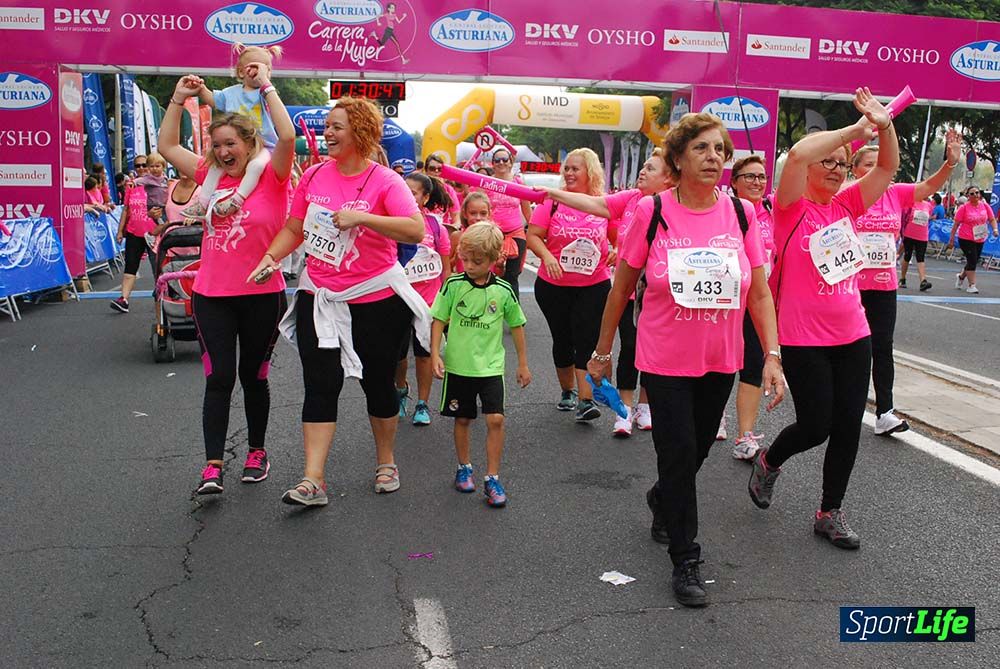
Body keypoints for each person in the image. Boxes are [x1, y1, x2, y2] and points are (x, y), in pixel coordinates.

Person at [587, 112, 782, 607]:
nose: (713, 157)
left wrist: (773, 355)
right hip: (665, 357)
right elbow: (621, 288)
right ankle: (686, 557)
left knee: (694, 451)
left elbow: (759, 293)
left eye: (719, 149)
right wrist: (603, 350)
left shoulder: (741, 214)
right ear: (677, 158)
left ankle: (662, 499)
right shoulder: (652, 212)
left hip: (721, 357)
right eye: (701, 148)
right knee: (677, 453)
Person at [247, 97, 427, 506]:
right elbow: (295, 227)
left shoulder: (385, 180)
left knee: (377, 384)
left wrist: (363, 218)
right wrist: (270, 257)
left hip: (376, 299)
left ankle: (385, 461)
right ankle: (313, 480)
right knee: (319, 385)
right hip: (321, 295)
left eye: (337, 126)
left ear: (361, 132)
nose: (327, 133)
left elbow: (414, 230)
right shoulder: (313, 176)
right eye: (327, 126)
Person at [748, 87, 898, 551]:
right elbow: (796, 152)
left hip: (853, 333)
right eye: (828, 162)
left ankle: (829, 512)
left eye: (841, 164)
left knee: (849, 424)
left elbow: (888, 168)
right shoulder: (790, 207)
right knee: (817, 425)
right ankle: (770, 461)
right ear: (809, 171)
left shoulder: (847, 205)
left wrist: (884, 124)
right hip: (802, 335)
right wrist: (855, 129)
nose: (835, 169)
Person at [159, 71, 295, 495]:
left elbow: (287, 136)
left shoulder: (272, 175)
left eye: (230, 144)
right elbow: (166, 146)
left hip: (261, 295)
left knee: (254, 376)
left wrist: (268, 86)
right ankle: (213, 465)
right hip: (212, 294)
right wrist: (178, 99)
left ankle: (256, 451)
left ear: (249, 144)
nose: (222, 152)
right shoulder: (208, 176)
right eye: (216, 146)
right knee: (218, 377)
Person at [538, 149, 673, 436]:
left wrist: (614, 249)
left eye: (650, 168)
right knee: (615, 346)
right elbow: (596, 205)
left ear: (669, 178)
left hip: (657, 294)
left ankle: (644, 405)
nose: (642, 171)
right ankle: (621, 409)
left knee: (644, 348)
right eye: (643, 166)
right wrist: (553, 194)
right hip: (623, 291)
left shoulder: (673, 205)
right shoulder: (629, 199)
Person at [847, 130, 961, 437]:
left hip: (884, 285)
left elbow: (928, 187)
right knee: (853, 350)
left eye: (879, 163)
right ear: (855, 170)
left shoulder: (895, 193)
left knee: (882, 347)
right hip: (849, 288)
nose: (874, 169)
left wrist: (949, 165)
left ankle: (884, 411)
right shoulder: (847, 194)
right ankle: (846, 407)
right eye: (867, 164)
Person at [431, 222, 531, 507]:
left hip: (491, 367)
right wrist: (436, 353)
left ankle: (492, 477)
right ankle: (464, 468)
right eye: (465, 259)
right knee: (462, 418)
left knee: (495, 419)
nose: (470, 265)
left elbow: (518, 324)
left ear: (494, 259)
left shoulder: (502, 291)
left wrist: (523, 364)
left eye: (478, 261)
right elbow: (438, 319)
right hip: (459, 367)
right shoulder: (453, 285)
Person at [527, 148, 615, 422]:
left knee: (585, 339)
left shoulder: (604, 203)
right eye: (566, 168)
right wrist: (547, 256)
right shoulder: (551, 202)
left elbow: (619, 236)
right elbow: (533, 236)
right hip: (553, 285)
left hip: (594, 284)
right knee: (563, 339)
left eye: (575, 168)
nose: (569, 173)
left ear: (590, 172)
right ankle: (568, 391)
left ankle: (585, 400)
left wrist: (615, 249)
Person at [185, 44, 284, 221]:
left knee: (255, 166)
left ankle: (237, 199)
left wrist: (266, 84)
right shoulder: (230, 93)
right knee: (215, 168)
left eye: (265, 69)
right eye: (253, 68)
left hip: (263, 147)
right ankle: (202, 203)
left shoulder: (267, 94)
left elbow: (281, 118)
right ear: (240, 72)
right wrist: (199, 87)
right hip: (236, 145)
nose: (258, 72)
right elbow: (211, 99)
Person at [724, 155, 777, 458]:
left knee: (753, 364)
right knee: (721, 362)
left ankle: (745, 435)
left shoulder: (771, 212)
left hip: (758, 300)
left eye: (761, 177)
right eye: (749, 177)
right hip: (726, 300)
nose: (757, 182)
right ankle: (716, 416)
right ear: (734, 182)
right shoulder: (726, 211)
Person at [395, 172, 452, 426]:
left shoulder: (436, 227)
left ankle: (423, 403)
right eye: (403, 190)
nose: (407, 195)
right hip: (396, 298)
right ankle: (400, 389)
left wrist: (445, 301)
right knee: (397, 355)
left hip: (428, 301)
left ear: (425, 197)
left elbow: (446, 268)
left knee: (424, 354)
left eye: (413, 192)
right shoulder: (390, 221)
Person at [110, 154, 168, 313]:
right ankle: (124, 299)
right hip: (134, 231)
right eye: (138, 166)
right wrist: (120, 230)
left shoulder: (163, 184)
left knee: (158, 267)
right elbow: (126, 209)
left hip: (154, 232)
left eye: (144, 165)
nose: (141, 168)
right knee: (130, 266)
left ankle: (163, 297)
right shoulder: (132, 186)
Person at [482, 148, 533, 299]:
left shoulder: (518, 183)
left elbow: (527, 211)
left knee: (512, 276)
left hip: (516, 235)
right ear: (492, 164)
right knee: (488, 274)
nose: (501, 163)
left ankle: (513, 315)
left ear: (511, 163)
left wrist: (537, 234)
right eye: (497, 160)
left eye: (505, 159)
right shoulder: (487, 183)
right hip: (492, 236)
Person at [949, 186, 998, 294]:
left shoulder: (985, 206)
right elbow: (956, 224)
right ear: (968, 196)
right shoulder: (964, 208)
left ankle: (961, 277)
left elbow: (992, 219)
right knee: (972, 260)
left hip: (980, 238)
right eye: (972, 193)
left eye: (977, 192)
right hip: (966, 238)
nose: (975, 195)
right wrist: (951, 239)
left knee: (974, 260)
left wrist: (995, 229)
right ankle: (972, 285)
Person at [449, 192, 491, 273]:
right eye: (473, 213)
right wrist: (456, 258)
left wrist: (500, 264)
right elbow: (446, 267)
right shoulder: (457, 237)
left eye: (483, 213)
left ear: (489, 214)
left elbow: (498, 272)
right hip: (463, 284)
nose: (478, 218)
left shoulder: (493, 237)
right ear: (465, 214)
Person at [899, 196, 933, 290]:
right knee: (907, 256)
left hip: (922, 236)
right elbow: (903, 217)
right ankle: (902, 278)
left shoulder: (928, 205)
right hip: (909, 234)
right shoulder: (909, 203)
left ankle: (923, 281)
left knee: (920, 257)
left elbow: (928, 218)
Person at [422, 153, 461, 228]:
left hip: (443, 231)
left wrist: (454, 227)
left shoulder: (448, 190)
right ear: (426, 170)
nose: (436, 171)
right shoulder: (421, 187)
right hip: (424, 230)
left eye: (439, 169)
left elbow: (456, 215)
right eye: (432, 168)